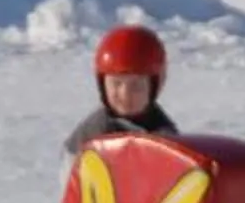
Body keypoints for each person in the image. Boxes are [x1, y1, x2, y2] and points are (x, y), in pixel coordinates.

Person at [62, 22, 177, 161]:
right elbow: (71, 174)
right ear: (102, 85)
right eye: (116, 84)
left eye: (136, 86)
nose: (125, 94)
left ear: (154, 87)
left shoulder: (165, 135)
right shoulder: (93, 132)